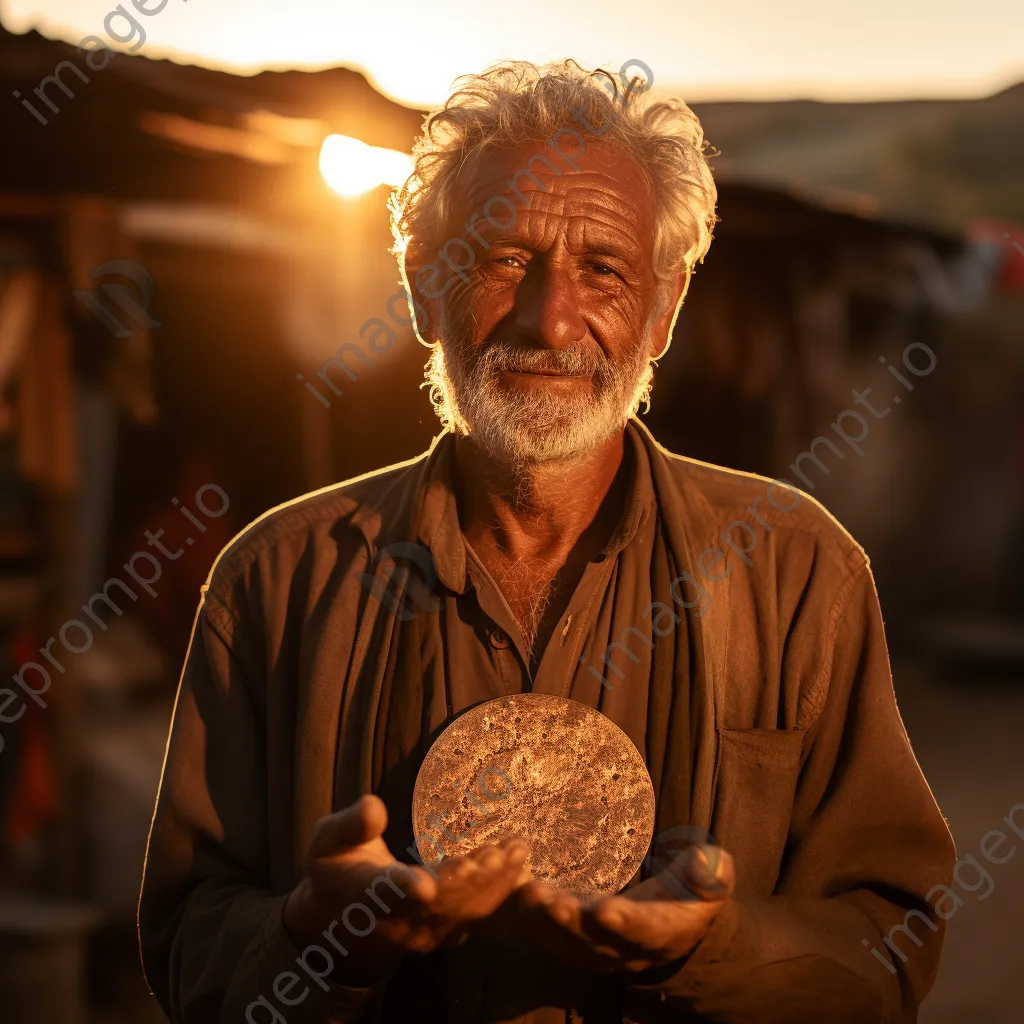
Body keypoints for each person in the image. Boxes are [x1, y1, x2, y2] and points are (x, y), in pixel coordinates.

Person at [138, 60, 955, 1023]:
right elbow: (189, 943)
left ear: (662, 311)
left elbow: (890, 950)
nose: (548, 318)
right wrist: (315, 934)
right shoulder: (277, 580)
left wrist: (716, 947)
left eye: (603, 269)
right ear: (423, 291)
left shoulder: (798, 574)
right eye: (502, 260)